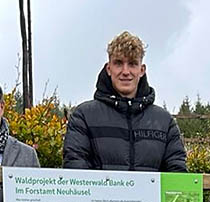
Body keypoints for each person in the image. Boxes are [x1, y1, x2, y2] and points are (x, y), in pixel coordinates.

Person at [62, 31, 187, 172]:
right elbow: (76, 171)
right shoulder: (83, 116)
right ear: (109, 68)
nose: (126, 71)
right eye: (119, 63)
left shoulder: (165, 122)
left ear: (142, 70)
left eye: (132, 64)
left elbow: (177, 173)